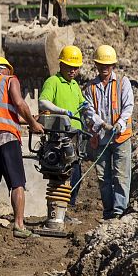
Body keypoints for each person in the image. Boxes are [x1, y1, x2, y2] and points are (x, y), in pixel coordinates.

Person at [0, 55, 43, 239]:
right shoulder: (9, 80)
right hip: (6, 137)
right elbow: (19, 103)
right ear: (4, 69)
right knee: (17, 183)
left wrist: (26, 120)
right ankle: (19, 225)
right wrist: (33, 124)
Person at [38, 45, 89, 229]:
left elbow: (81, 103)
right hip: (59, 137)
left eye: (75, 68)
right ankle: (57, 212)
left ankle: (65, 210)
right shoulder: (53, 81)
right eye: (69, 67)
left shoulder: (75, 85)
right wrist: (61, 111)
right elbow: (43, 101)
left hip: (74, 136)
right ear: (61, 64)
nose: (73, 71)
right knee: (60, 174)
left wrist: (86, 107)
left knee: (75, 175)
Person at [85, 44, 135, 220]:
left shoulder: (123, 82)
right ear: (96, 65)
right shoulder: (91, 88)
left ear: (113, 65)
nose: (104, 68)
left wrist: (119, 124)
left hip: (121, 137)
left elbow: (128, 106)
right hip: (102, 138)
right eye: (101, 64)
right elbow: (89, 111)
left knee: (121, 176)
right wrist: (102, 124)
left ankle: (119, 211)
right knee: (103, 177)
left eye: (107, 65)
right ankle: (108, 213)